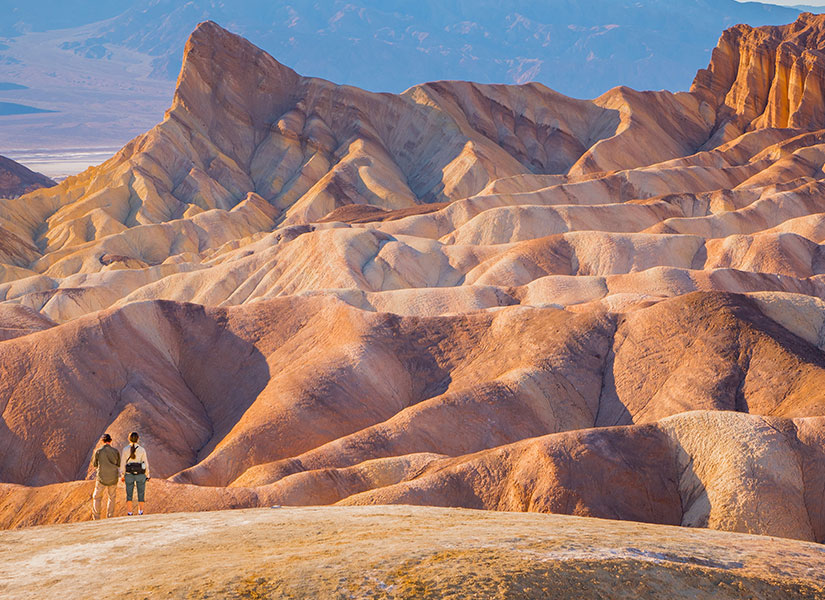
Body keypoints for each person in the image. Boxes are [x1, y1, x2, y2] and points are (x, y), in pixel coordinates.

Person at [92, 433, 121, 520]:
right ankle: (110, 517)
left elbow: (95, 464)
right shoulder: (115, 451)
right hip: (113, 478)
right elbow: (118, 464)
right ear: (110, 441)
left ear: (102, 441)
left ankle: (96, 517)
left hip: (101, 478)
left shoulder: (98, 451)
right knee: (111, 497)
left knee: (97, 497)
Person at [120, 431, 150, 516]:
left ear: (128, 439)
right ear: (138, 439)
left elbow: (123, 464)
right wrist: (147, 475)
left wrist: (122, 475)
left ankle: (130, 512)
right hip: (140, 474)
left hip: (129, 474)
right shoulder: (142, 450)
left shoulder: (125, 449)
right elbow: (145, 463)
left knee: (129, 493)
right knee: (141, 492)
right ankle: (140, 511)